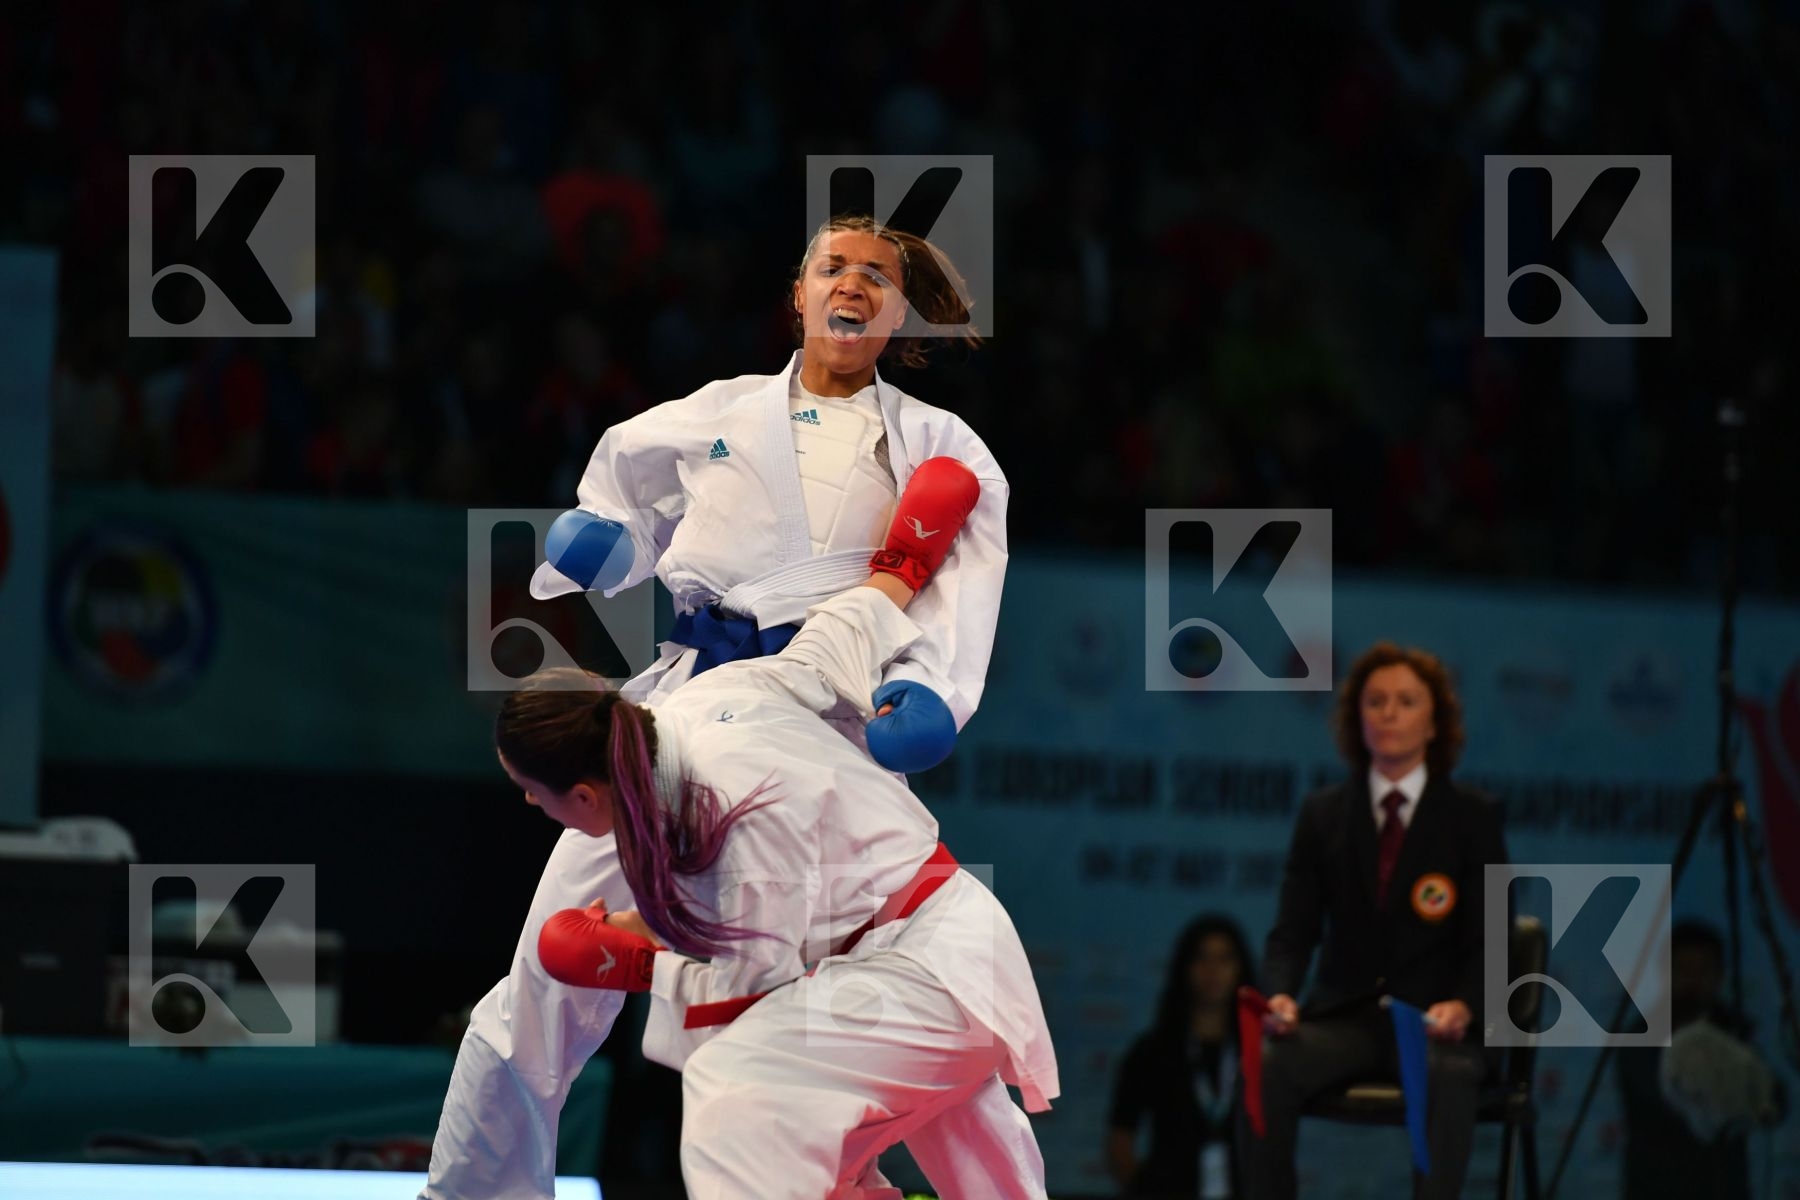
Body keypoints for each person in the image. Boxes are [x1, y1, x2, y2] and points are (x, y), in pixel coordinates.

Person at [424, 215, 1008, 1200]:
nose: (852, 284)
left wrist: (930, 690)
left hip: (827, 727)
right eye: (833, 267)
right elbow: (628, 486)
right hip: (682, 708)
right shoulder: (720, 409)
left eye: (877, 276)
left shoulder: (940, 444)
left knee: (846, 998)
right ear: (799, 293)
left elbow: (962, 579)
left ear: (901, 314)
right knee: (545, 971)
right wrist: (611, 542)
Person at [509, 459, 1057, 1198]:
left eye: (529, 792)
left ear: (580, 794)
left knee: (735, 1087)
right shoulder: (708, 699)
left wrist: (640, 963)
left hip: (917, 980)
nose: (529, 805)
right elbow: (831, 639)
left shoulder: (720, 811)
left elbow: (754, 992)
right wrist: (904, 561)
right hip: (910, 964)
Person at [1236, 642, 1507, 1200]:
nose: (1389, 713)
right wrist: (1280, 995)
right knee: (1265, 1065)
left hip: (1434, 1023)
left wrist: (1465, 1004)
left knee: (1450, 1075)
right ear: (1356, 719)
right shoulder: (1323, 815)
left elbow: (1493, 937)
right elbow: (1293, 930)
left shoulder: (1472, 816)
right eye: (1375, 701)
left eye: (1406, 701)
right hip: (1346, 1019)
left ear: (1435, 723)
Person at [1617, 920, 1787, 1200]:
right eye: (1683, 969)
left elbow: (1773, 1102)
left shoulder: (1736, 1031)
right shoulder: (1640, 1038)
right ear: (1665, 974)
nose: (1693, 981)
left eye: (1703, 970)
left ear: (1719, 976)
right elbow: (1673, 1101)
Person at [1109, 915, 1258, 1199]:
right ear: (1184, 967)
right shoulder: (1152, 1051)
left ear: (1240, 968)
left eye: (1225, 959)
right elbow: (1120, 1140)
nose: (1213, 971)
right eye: (1201, 958)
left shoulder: (1259, 1053)